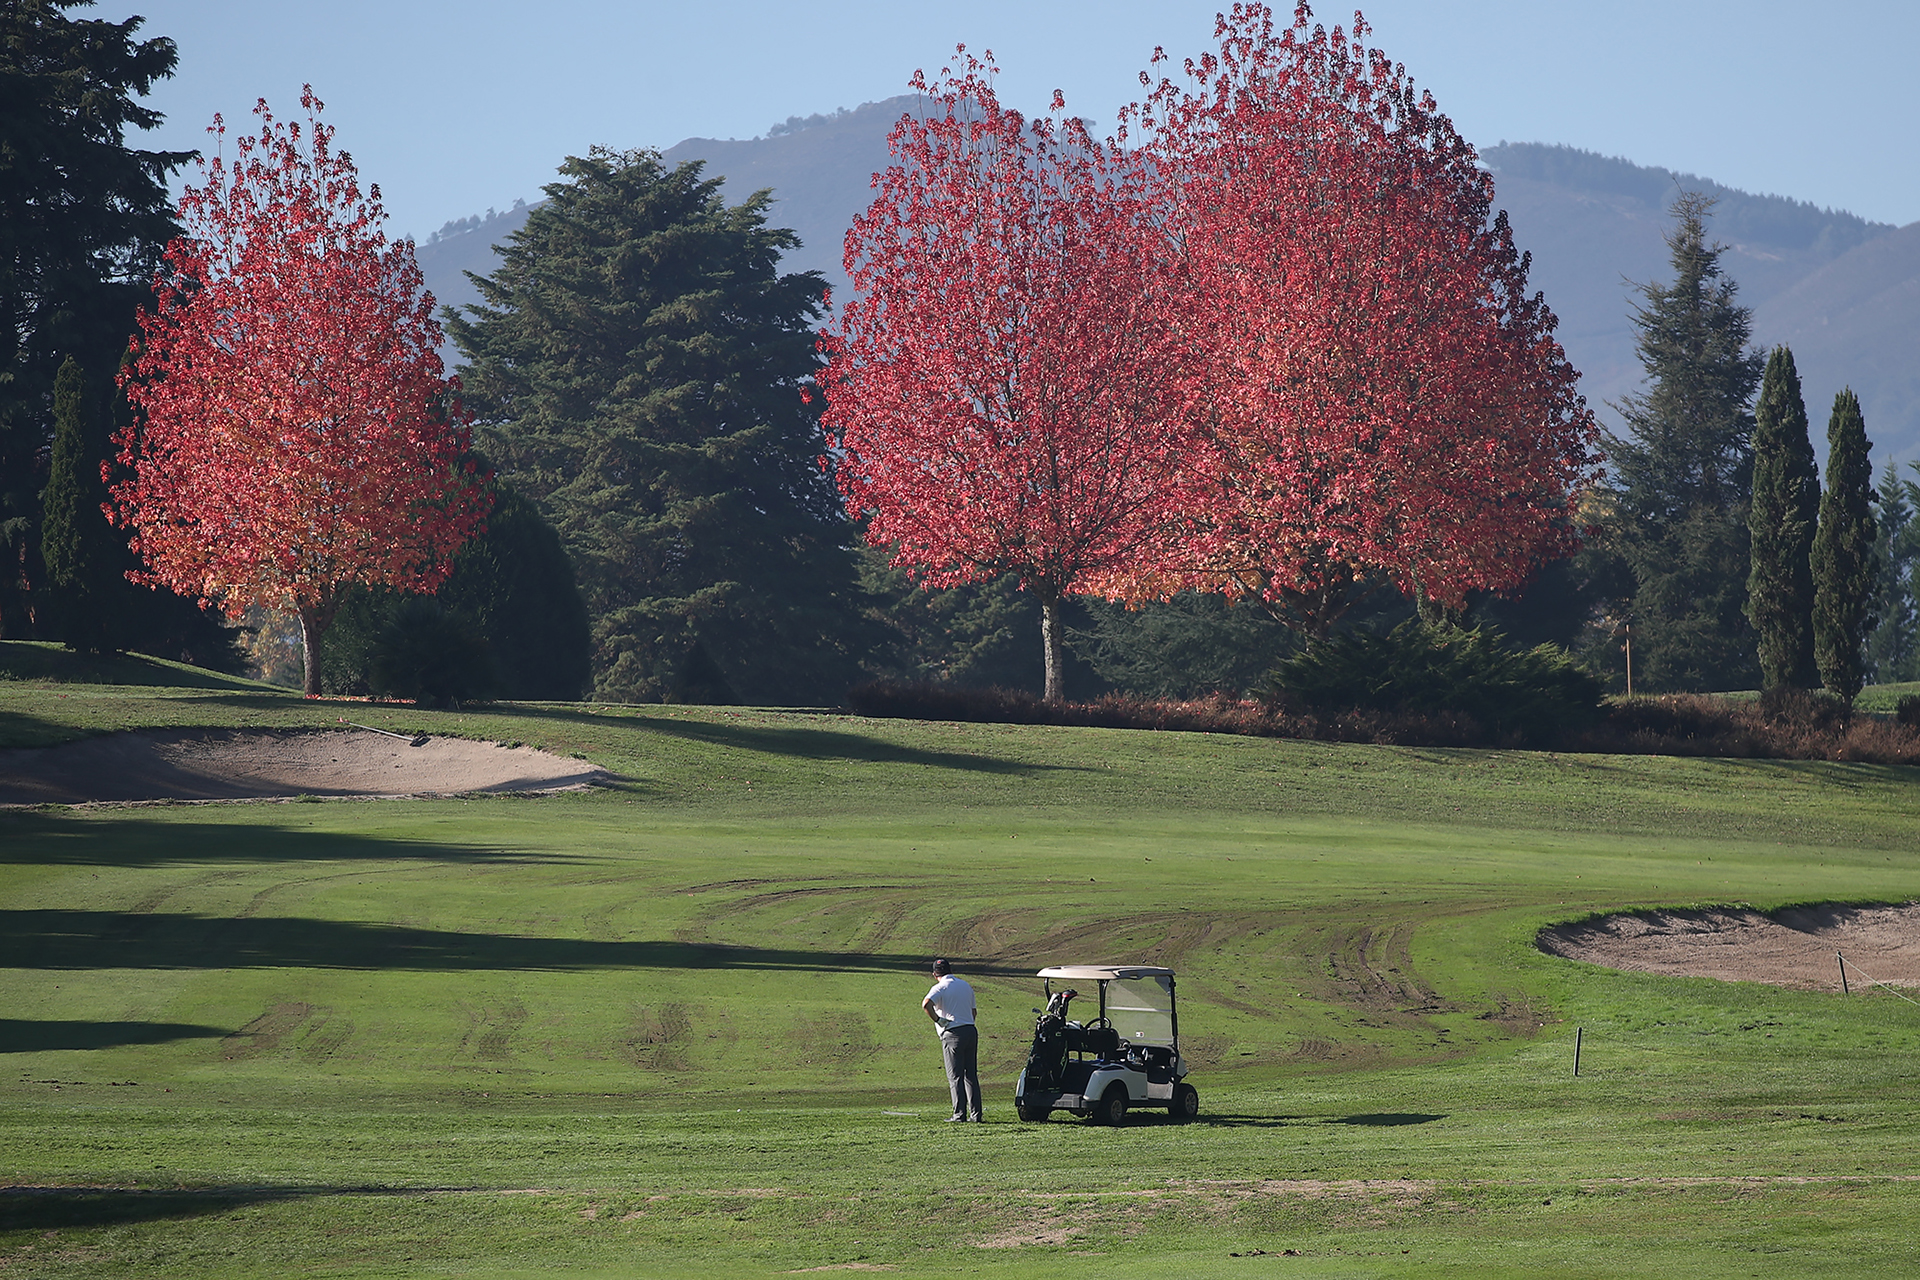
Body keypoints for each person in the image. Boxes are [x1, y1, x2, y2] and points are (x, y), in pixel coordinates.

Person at [922, 958, 983, 1122]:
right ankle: (976, 1114)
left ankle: (959, 1114)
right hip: (970, 1030)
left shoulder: (940, 987)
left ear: (934, 974)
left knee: (955, 1076)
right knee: (971, 1075)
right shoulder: (965, 985)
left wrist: (938, 1020)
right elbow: (973, 1012)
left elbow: (926, 1004)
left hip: (953, 1033)